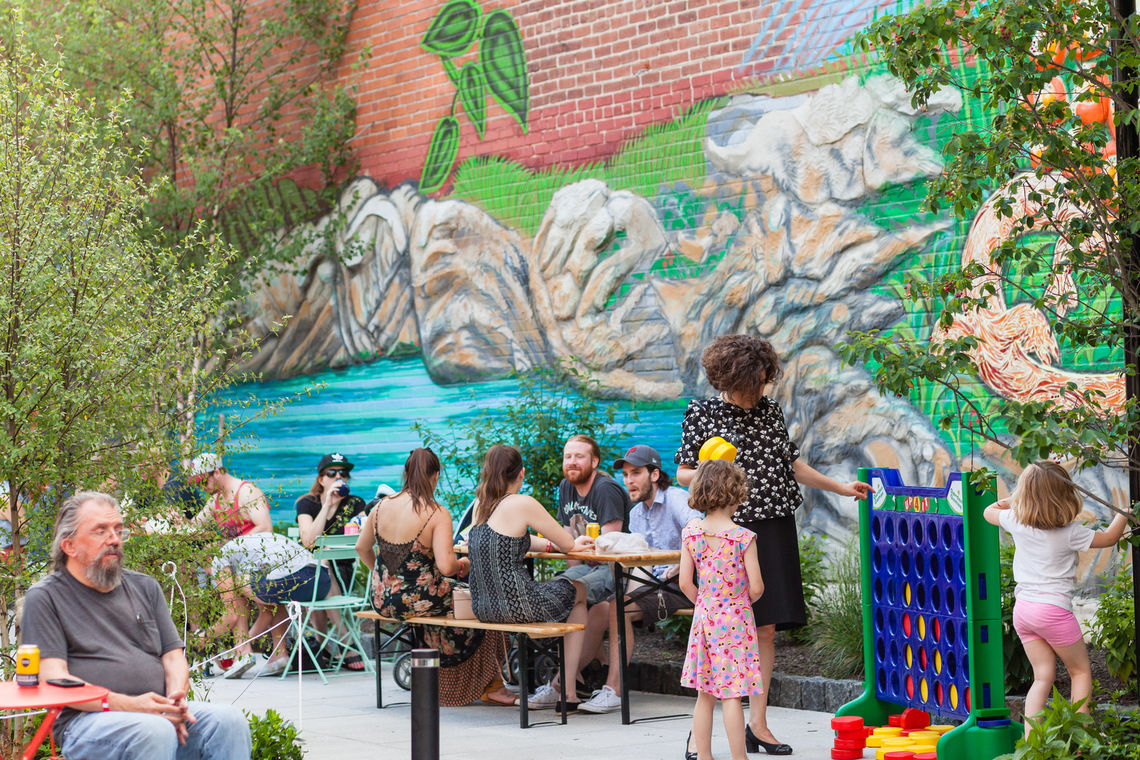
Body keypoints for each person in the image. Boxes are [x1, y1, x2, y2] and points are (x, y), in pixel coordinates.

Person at [675, 333, 871, 755]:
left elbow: (792, 464)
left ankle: (758, 725)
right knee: (720, 632)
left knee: (765, 628)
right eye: (751, 385)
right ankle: (701, 733)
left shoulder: (770, 412)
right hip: (728, 529)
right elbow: (684, 474)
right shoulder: (703, 412)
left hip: (774, 526)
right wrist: (717, 464)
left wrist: (838, 487)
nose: (757, 392)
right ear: (729, 379)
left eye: (763, 383)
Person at [20, 491, 251, 760]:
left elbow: (174, 656)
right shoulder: (46, 597)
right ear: (69, 546)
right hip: (89, 720)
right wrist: (130, 705)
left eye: (119, 530)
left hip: (156, 712)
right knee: (154, 731)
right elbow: (53, 678)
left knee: (229, 722)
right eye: (100, 531)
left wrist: (175, 697)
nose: (114, 539)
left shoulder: (145, 586)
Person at [355, 448, 514, 706]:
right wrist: (465, 564)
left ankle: (439, 681)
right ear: (436, 476)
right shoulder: (436, 512)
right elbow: (447, 567)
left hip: (382, 599)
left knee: (443, 603)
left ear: (405, 473)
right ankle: (489, 683)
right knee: (485, 603)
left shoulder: (380, 506)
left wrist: (381, 576)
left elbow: (361, 548)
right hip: (423, 599)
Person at [984, 460, 1131, 736]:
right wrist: (1124, 512)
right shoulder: (1070, 533)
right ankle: (1081, 735)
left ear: (1024, 496)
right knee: (1080, 672)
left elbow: (988, 511)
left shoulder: (1015, 521)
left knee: (1042, 677)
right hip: (1053, 612)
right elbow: (1112, 537)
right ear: (1066, 496)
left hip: (1024, 611)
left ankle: (1032, 742)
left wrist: (1015, 500)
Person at [466, 444, 596, 711]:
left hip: (483, 607)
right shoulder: (521, 502)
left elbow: (513, 536)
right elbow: (567, 543)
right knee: (579, 591)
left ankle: (563, 687)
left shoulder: (480, 505)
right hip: (519, 607)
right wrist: (574, 542)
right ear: (521, 473)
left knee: (566, 591)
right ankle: (567, 691)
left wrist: (546, 545)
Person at [578, 444, 700, 714]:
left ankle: (614, 690)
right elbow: (637, 565)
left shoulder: (676, 499)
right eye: (625, 475)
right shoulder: (636, 514)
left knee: (616, 608)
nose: (628, 481)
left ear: (654, 474)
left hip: (684, 583)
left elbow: (700, 532)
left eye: (635, 473)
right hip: (653, 583)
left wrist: (683, 564)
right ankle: (567, 684)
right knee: (603, 606)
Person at [680, 460, 765, 760]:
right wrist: (736, 604)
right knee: (732, 695)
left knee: (705, 694)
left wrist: (706, 603)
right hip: (735, 620)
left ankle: (704, 756)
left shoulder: (691, 532)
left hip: (704, 618)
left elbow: (684, 583)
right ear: (736, 492)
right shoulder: (743, 537)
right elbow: (756, 587)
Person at [211, 531, 331, 678]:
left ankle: (243, 652)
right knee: (274, 598)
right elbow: (268, 610)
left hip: (296, 580)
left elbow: (232, 615)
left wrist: (202, 639)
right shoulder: (251, 546)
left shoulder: (219, 557)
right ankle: (279, 656)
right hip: (321, 582)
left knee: (237, 586)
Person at [187, 453, 271, 537]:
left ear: (216, 472)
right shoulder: (215, 500)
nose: (202, 487)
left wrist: (232, 545)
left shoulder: (248, 492)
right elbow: (193, 526)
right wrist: (178, 519)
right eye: (198, 484)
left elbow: (266, 527)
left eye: (204, 482)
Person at [295, 452, 368, 548]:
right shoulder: (306, 502)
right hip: (311, 560)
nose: (338, 476)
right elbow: (309, 542)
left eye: (343, 473)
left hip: (340, 559)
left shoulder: (355, 502)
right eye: (331, 473)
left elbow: (364, 531)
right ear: (321, 480)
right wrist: (327, 506)